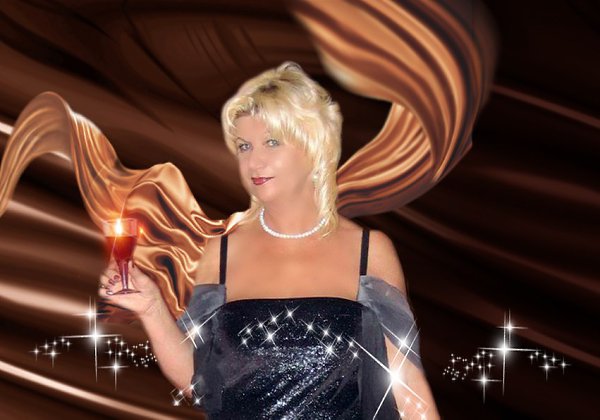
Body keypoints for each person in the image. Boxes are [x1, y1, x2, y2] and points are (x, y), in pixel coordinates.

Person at [99, 62, 440, 419]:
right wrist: (151, 308)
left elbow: (407, 390)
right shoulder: (222, 252)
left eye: (272, 142)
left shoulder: (369, 251)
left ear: (312, 146)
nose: (254, 162)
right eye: (244, 146)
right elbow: (200, 384)